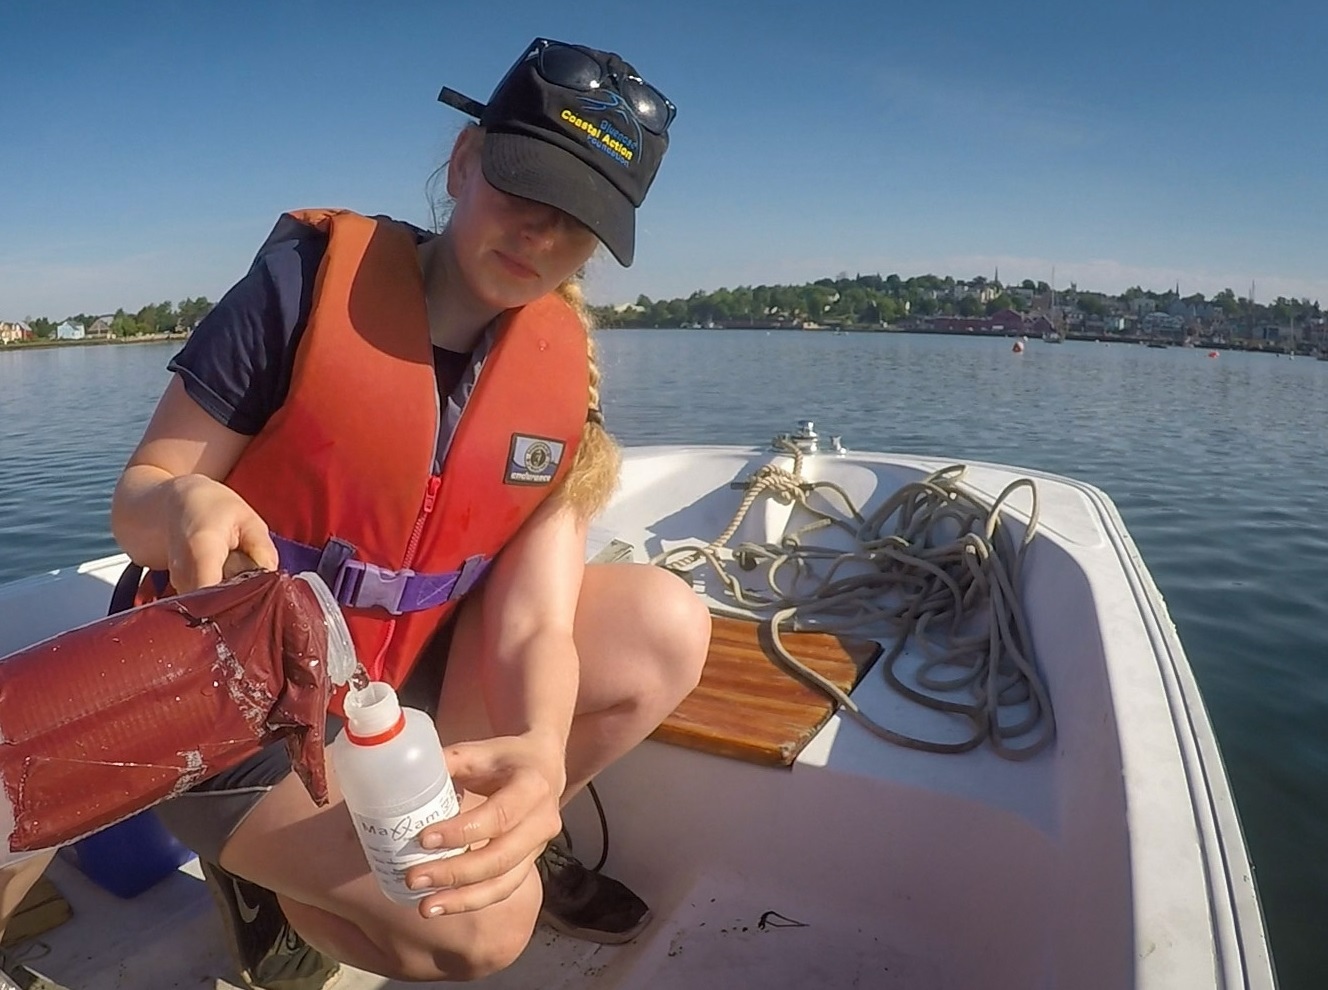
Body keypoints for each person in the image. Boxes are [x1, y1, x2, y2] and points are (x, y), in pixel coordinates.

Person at [1, 37, 711, 989]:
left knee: (668, 624)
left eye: (575, 221)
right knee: (486, 935)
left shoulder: (558, 379)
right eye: (521, 189)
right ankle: (296, 895)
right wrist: (185, 497)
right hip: (230, 693)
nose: (539, 237)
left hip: (387, 686)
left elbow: (537, 618)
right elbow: (140, 501)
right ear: (465, 163)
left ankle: (487, 839)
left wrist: (541, 760)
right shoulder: (298, 288)